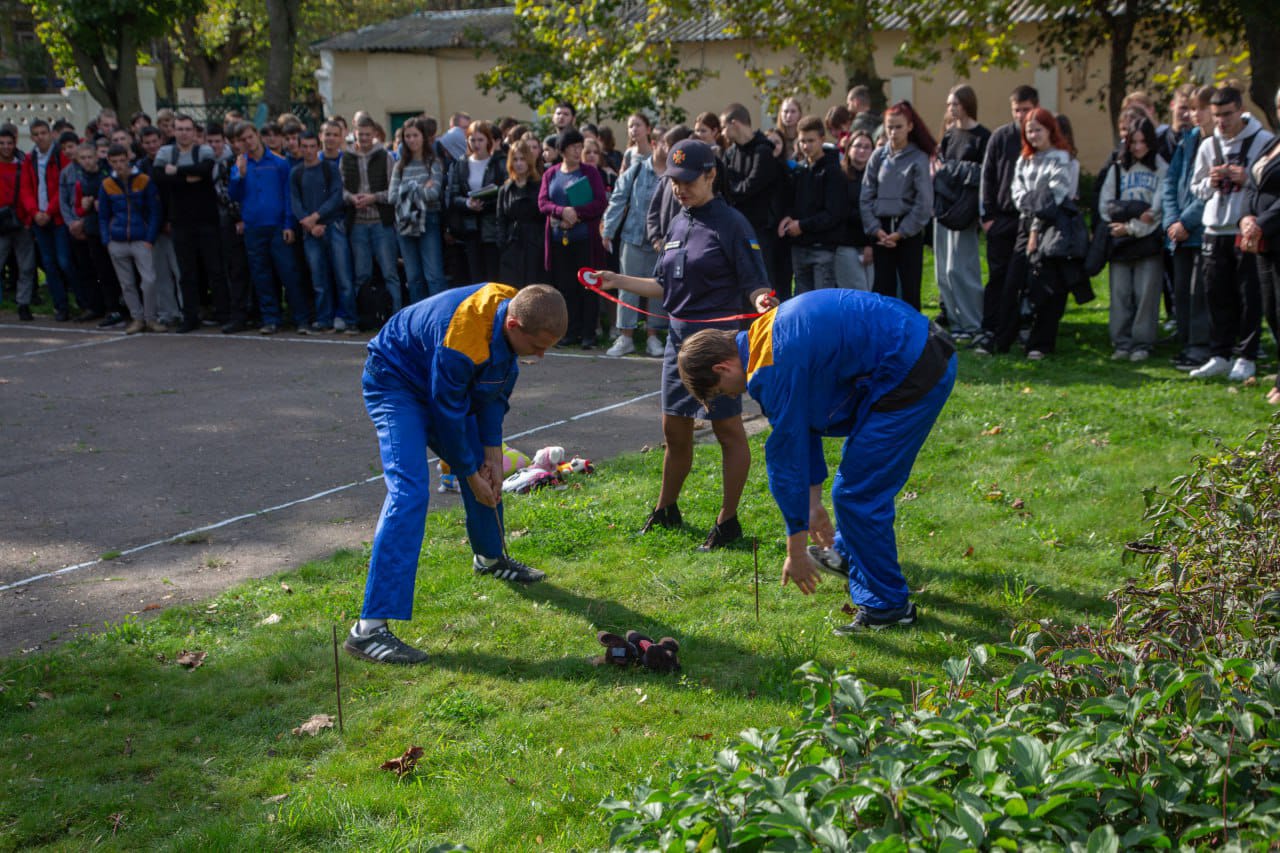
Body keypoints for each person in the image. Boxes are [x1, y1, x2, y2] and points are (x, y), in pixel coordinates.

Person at [675, 288, 955, 632]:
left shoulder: (768, 369)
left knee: (858, 495)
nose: (733, 395)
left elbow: (788, 459)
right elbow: (803, 426)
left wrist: (795, 550)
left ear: (723, 366)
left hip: (914, 367)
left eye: (721, 390)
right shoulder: (762, 336)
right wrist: (812, 505)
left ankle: (889, 608)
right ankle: (849, 557)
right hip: (911, 347)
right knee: (852, 489)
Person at [345, 283, 568, 665]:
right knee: (410, 492)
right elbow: (446, 412)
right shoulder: (464, 337)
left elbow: (493, 393)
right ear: (513, 325)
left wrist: (493, 456)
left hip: (441, 381)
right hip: (396, 380)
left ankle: (490, 557)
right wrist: (468, 471)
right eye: (537, 346)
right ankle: (368, 630)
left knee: (486, 468)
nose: (542, 355)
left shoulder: (518, 309)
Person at [598, 139, 776, 551]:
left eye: (687, 181)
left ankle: (728, 521)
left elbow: (754, 282)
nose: (679, 188)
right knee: (673, 429)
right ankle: (666, 509)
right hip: (679, 341)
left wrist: (762, 299)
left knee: (727, 430)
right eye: (674, 181)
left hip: (716, 346)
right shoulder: (679, 222)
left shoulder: (732, 224)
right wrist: (618, 280)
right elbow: (664, 286)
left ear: (711, 175)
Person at [1189, 86, 1275, 382]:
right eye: (1216, 117)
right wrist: (1211, 182)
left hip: (1245, 227)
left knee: (1249, 295)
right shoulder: (1207, 145)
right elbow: (1196, 188)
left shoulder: (1262, 140)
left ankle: (1247, 355)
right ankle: (1220, 354)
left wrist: (1245, 176)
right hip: (1214, 227)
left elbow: (1267, 181)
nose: (1222, 122)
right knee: (1216, 293)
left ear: (1240, 110)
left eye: (1227, 115)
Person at [1008, 108, 1079, 360]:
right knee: (1015, 280)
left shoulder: (1060, 158)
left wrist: (1036, 226)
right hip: (1024, 223)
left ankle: (1041, 342)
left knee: (1046, 285)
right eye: (1029, 130)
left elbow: (1055, 196)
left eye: (1038, 129)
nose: (1034, 135)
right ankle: (1011, 334)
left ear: (1050, 130)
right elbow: (1018, 193)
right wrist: (1033, 203)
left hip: (1051, 227)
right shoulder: (1024, 160)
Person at [974, 85, 1038, 355]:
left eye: (1026, 110)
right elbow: (987, 176)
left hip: (1029, 221)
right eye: (1017, 110)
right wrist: (987, 216)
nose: (1021, 116)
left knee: (1026, 277)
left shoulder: (1040, 136)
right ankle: (990, 327)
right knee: (998, 276)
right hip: (1000, 219)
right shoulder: (1001, 137)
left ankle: (1023, 326)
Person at [1099, 114, 1167, 361]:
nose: (1138, 147)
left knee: (1146, 293)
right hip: (1120, 240)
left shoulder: (1161, 167)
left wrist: (1132, 227)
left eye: (1142, 141)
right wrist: (1131, 216)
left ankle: (1142, 343)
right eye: (1133, 142)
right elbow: (1106, 205)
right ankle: (1121, 341)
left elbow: (1156, 212)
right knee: (1120, 293)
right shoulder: (1117, 168)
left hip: (1147, 242)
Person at [230, 121, 308, 335]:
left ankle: (301, 318)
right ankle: (271, 318)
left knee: (289, 273)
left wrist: (288, 224)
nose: (248, 142)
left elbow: (286, 196)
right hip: (254, 228)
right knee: (261, 276)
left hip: (276, 226)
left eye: (250, 136)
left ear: (257, 135)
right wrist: (240, 175)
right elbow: (233, 195)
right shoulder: (240, 165)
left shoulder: (279, 163)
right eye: (243, 139)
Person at [860, 101, 935, 310]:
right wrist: (876, 230)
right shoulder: (878, 156)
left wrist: (902, 232)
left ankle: (913, 338)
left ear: (910, 127)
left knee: (910, 289)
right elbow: (866, 195)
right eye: (889, 127)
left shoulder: (918, 158)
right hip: (881, 231)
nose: (893, 132)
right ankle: (883, 337)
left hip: (907, 233)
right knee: (883, 289)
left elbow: (924, 202)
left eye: (898, 127)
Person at [153, 113, 224, 333]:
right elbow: (157, 176)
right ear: (173, 131)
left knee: (215, 269)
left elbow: (205, 170)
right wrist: (188, 178)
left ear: (194, 132)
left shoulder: (203, 150)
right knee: (186, 272)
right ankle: (190, 317)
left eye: (187, 129)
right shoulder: (166, 152)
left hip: (207, 220)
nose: (184, 133)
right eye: (179, 129)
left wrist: (176, 173)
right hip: (180, 221)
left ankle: (223, 314)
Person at [538, 127, 608, 348]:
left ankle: (589, 334)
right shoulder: (551, 173)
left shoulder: (590, 172)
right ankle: (570, 332)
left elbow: (599, 202)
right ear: (562, 150)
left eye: (580, 147)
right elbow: (543, 203)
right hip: (560, 240)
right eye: (573, 148)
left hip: (584, 239)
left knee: (587, 286)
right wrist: (561, 211)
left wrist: (576, 213)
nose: (578, 152)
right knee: (566, 287)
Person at [602, 124, 667, 357]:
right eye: (663, 143)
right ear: (654, 144)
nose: (668, 148)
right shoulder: (637, 170)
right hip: (634, 237)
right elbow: (618, 199)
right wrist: (608, 231)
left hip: (662, 242)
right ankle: (625, 337)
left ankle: (653, 337)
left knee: (658, 290)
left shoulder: (674, 175)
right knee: (626, 287)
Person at [933, 85, 990, 343]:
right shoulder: (949, 135)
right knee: (943, 270)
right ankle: (955, 322)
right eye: (948, 104)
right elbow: (941, 169)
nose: (950, 109)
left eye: (954, 104)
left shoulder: (982, 137)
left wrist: (953, 171)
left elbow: (983, 174)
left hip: (966, 211)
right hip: (945, 207)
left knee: (962, 268)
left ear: (966, 104)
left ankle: (972, 322)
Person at [1164, 85, 1215, 370]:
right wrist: (1172, 220)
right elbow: (1170, 182)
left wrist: (1186, 221)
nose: (1194, 114)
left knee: (1200, 293)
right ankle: (1187, 343)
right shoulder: (1188, 141)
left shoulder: (1218, 143)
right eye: (1191, 108)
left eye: (1200, 108)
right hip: (1179, 230)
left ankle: (1201, 346)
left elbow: (1210, 192)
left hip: (1201, 230)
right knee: (1182, 291)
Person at [1240, 87, 1280, 405]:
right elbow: (1253, 185)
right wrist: (1246, 217)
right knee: (1271, 312)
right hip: (1264, 242)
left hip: (1273, 233)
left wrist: (1260, 222)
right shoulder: (1271, 142)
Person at [343, 116, 403, 317]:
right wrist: (351, 198)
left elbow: (393, 191)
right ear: (355, 133)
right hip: (357, 223)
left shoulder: (385, 157)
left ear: (374, 134)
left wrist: (373, 198)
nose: (365, 138)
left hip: (381, 222)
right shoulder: (346, 157)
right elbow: (339, 190)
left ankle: (396, 316)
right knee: (362, 274)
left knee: (390, 273)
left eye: (368, 134)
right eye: (361, 134)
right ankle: (365, 317)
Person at [98, 143, 161, 335]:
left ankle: (151, 318)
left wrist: (150, 237)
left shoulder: (143, 180)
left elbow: (154, 211)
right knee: (126, 283)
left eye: (122, 160)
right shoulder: (107, 184)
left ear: (128, 158)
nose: (119, 165)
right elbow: (103, 215)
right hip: (117, 239)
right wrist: (107, 239)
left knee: (149, 279)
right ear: (109, 162)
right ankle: (137, 318)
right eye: (114, 162)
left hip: (140, 238)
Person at [290, 130, 350, 332]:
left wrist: (317, 216)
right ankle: (324, 319)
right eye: (304, 146)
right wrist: (310, 224)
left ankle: (349, 319)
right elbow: (295, 202)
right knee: (319, 279)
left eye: (312, 146)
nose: (308, 150)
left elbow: (336, 196)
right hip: (310, 232)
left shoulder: (329, 168)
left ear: (318, 147)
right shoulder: (296, 173)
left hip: (333, 226)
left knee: (343, 276)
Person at [21, 118, 80, 321]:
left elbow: (61, 188)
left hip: (57, 218)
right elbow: (26, 189)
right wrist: (34, 212)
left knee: (65, 261)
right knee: (49, 264)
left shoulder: (59, 155)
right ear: (31, 137)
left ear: (50, 134)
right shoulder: (29, 159)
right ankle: (60, 305)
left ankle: (82, 300)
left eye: (43, 133)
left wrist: (49, 211)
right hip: (39, 219)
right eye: (36, 134)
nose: (40, 137)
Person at [779, 115, 846, 293]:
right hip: (799, 247)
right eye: (802, 141)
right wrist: (788, 218)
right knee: (802, 302)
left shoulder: (833, 171)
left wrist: (802, 225)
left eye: (811, 141)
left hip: (823, 249)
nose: (806, 146)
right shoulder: (799, 170)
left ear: (822, 140)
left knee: (821, 303)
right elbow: (794, 204)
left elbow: (833, 213)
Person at [721, 103, 781, 292]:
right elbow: (723, 183)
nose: (722, 132)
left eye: (724, 126)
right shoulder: (730, 153)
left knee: (762, 279)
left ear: (735, 123)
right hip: (737, 228)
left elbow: (751, 186)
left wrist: (732, 190)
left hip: (760, 229)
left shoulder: (763, 151)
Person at [389, 117, 445, 304]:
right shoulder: (400, 165)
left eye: (415, 135)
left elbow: (434, 194)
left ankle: (439, 317)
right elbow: (392, 196)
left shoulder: (433, 163)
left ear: (423, 137)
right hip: (405, 223)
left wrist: (409, 188)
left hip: (428, 220)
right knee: (413, 277)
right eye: (407, 136)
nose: (411, 140)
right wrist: (419, 187)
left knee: (433, 275)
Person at [445, 119, 506, 285]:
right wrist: (467, 203)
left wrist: (485, 204)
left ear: (488, 141)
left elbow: (504, 192)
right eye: (472, 139)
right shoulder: (461, 164)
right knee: (475, 277)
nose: (476, 144)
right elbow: (453, 196)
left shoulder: (499, 163)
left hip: (492, 227)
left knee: (494, 277)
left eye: (480, 139)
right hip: (470, 228)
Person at [496, 140, 545, 287]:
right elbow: (501, 219)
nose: (518, 163)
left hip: (534, 244)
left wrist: (540, 241)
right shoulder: (505, 189)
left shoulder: (540, 185)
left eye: (522, 159)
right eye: (515, 159)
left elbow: (544, 217)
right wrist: (503, 243)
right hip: (512, 244)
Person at [0, 125, 36, 321]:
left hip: (22, 221)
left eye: (9, 143)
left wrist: (29, 218)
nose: (6, 147)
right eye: (2, 143)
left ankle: (23, 303)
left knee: (27, 265)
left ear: (15, 144)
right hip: (1, 223)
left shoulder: (23, 166)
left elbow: (29, 193)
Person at [835, 130, 874, 291]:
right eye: (858, 146)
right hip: (846, 244)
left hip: (870, 244)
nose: (862, 150)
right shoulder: (840, 176)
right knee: (857, 293)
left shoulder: (876, 176)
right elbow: (842, 211)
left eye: (867, 147)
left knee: (869, 292)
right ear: (849, 149)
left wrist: (870, 244)